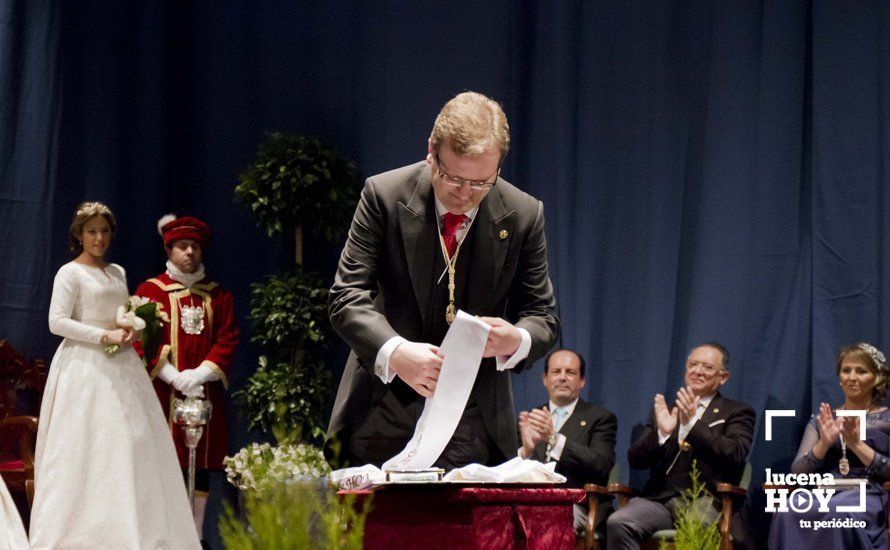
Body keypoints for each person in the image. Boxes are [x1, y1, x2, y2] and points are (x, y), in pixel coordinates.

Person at [326, 91, 559, 469]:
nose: (466, 194)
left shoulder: (523, 214)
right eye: (453, 178)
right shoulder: (383, 195)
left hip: (475, 420)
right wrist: (397, 352)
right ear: (431, 151)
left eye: (482, 182)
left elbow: (542, 315)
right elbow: (347, 296)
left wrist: (515, 339)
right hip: (383, 408)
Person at [30, 202, 199, 549]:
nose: (99, 238)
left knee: (130, 443)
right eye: (92, 231)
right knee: (86, 443)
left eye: (104, 231)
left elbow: (120, 311)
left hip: (122, 363)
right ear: (79, 234)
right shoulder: (70, 273)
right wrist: (101, 335)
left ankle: (132, 528)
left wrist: (131, 328)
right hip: (84, 367)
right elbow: (56, 321)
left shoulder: (118, 272)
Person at [134, 214, 238, 542]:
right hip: (164, 395)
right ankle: (164, 539)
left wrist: (200, 374)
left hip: (203, 395)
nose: (190, 252)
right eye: (182, 246)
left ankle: (194, 538)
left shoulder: (217, 295)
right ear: (170, 250)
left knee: (202, 467)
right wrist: (173, 376)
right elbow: (143, 340)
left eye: (194, 246)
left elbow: (228, 337)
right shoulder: (151, 291)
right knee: (165, 464)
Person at [607, 342, 755, 550]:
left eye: (708, 367)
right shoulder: (668, 411)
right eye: (693, 364)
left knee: (698, 525)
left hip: (704, 499)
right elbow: (636, 460)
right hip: (660, 498)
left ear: (723, 377)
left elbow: (735, 453)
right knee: (619, 522)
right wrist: (662, 433)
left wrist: (694, 425)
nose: (698, 371)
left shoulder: (737, 412)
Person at [768, 342, 890, 549]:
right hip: (823, 491)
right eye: (846, 371)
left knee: (838, 511)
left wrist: (856, 444)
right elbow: (798, 473)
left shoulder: (886, 419)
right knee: (788, 510)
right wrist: (824, 443)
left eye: (861, 371)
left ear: (876, 378)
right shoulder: (822, 420)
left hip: (866, 494)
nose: (852, 377)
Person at [519, 348, 616, 537]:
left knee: (545, 524)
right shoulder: (532, 417)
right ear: (545, 379)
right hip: (531, 502)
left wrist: (554, 439)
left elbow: (601, 465)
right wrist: (527, 451)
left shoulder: (600, 418)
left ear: (582, 381)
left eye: (570, 372)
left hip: (575, 504)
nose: (562, 377)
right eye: (556, 372)